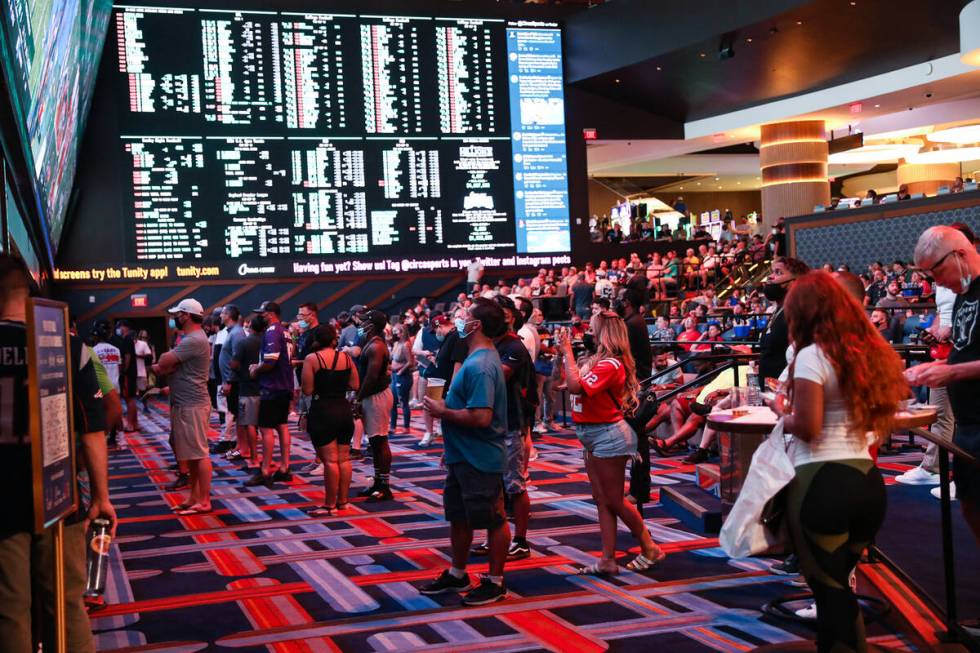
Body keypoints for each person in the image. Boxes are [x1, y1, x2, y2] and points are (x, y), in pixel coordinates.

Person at [767, 271, 907, 651]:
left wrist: (778, 410)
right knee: (838, 585)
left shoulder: (814, 354)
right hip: (865, 479)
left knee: (830, 593)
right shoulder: (867, 351)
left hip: (822, 481)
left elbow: (808, 426)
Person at [0, 254, 116, 653]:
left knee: (9, 608)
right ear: (29, 292)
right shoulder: (72, 346)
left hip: (1, 495)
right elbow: (95, 428)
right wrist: (101, 497)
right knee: (65, 604)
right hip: (59, 493)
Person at [555, 311, 665, 575]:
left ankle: (650, 547)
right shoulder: (596, 361)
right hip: (592, 434)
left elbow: (576, 388)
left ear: (604, 333)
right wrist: (566, 358)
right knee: (602, 499)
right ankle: (607, 560)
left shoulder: (611, 364)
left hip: (608, 435)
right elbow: (567, 383)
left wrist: (568, 351)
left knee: (615, 499)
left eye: (592, 330)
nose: (587, 334)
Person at [421, 299, 510, 605]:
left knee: (494, 519)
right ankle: (458, 573)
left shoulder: (482, 365)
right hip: (462, 454)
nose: (459, 319)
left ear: (478, 325)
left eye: (465, 316)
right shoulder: (474, 357)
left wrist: (442, 411)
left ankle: (496, 581)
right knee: (459, 516)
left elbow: (481, 416)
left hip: (481, 457)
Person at [908, 226, 980, 542]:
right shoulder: (965, 294)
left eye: (936, 271)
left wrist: (951, 373)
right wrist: (938, 367)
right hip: (967, 423)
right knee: (971, 504)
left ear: (960, 254)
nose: (935, 283)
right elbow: (967, 349)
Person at [472, 296, 534, 561]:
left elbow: (495, 376)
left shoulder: (514, 347)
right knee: (494, 485)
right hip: (491, 424)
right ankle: (494, 536)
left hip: (511, 423)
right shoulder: (490, 346)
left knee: (515, 485)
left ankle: (520, 540)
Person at [153, 298, 213, 514]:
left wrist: (167, 366)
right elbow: (166, 365)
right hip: (187, 402)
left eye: (177, 315)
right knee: (193, 455)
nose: (174, 319)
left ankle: (204, 501)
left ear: (186, 315)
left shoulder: (194, 340)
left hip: (192, 404)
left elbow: (162, 362)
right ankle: (195, 497)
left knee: (199, 454)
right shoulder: (192, 338)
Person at [302, 324, 359, 517]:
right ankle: (343, 501)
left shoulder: (312, 359)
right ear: (335, 339)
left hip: (323, 410)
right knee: (343, 459)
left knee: (330, 461)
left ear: (316, 340)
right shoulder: (346, 357)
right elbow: (355, 384)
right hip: (343, 409)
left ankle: (329, 505)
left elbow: (307, 390)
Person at [245, 301, 294, 487]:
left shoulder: (273, 331)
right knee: (282, 426)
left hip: (272, 387)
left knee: (266, 429)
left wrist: (256, 370)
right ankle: (284, 467)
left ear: (271, 314)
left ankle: (264, 470)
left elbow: (271, 362)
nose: (260, 316)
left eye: (263, 313)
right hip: (285, 385)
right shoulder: (286, 331)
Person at [355, 309, 395, 501]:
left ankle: (384, 486)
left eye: (363, 322)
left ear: (371, 325)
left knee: (380, 441)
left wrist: (358, 398)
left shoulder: (376, 346)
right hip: (373, 395)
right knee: (374, 441)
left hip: (377, 395)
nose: (360, 325)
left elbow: (371, 376)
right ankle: (378, 482)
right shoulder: (372, 343)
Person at [758, 257, 810, 390]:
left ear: (795, 282)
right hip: (768, 392)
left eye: (778, 272)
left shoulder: (798, 312)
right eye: (772, 272)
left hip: (785, 394)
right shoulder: (778, 311)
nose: (770, 277)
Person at [234, 315, 265, 472]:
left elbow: (234, 363)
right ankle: (266, 459)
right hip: (265, 387)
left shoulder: (243, 342)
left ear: (251, 326)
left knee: (250, 424)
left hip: (247, 387)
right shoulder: (267, 342)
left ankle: (254, 458)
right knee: (266, 428)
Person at [218, 305, 246, 461]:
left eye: (222, 313)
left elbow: (237, 359)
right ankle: (238, 447)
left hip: (234, 381)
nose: (220, 316)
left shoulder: (237, 333)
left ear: (228, 315)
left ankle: (241, 447)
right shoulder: (232, 332)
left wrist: (228, 380)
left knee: (239, 416)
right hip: (231, 380)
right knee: (236, 415)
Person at [91, 320, 123, 447]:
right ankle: (121, 439)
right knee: (117, 412)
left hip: (101, 387)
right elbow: (119, 368)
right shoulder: (116, 350)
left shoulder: (93, 351)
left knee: (103, 412)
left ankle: (105, 437)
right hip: (115, 386)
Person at [113, 319, 139, 433]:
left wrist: (124, 370)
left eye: (120, 327)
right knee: (131, 398)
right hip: (131, 373)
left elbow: (127, 356)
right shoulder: (128, 339)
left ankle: (130, 424)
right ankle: (135, 423)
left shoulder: (127, 339)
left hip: (128, 373)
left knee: (129, 399)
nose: (119, 329)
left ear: (125, 327)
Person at [389, 323, 415, 434]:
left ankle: (406, 427)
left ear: (402, 332)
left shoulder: (406, 345)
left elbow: (410, 362)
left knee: (403, 402)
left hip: (403, 376)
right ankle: (393, 427)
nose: (394, 334)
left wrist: (400, 370)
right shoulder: (396, 344)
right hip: (394, 375)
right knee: (393, 402)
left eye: (396, 332)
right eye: (393, 331)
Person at [622, 289, 652, 382]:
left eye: (621, 300)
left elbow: (624, 349)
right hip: (640, 373)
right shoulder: (637, 319)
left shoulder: (631, 323)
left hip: (636, 376)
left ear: (626, 302)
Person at [134, 329, 154, 411]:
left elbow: (151, 355)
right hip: (134, 369)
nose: (144, 337)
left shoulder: (147, 344)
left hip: (146, 365)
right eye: (142, 336)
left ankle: (145, 405)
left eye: (145, 336)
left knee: (145, 386)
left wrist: (138, 356)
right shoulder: (131, 344)